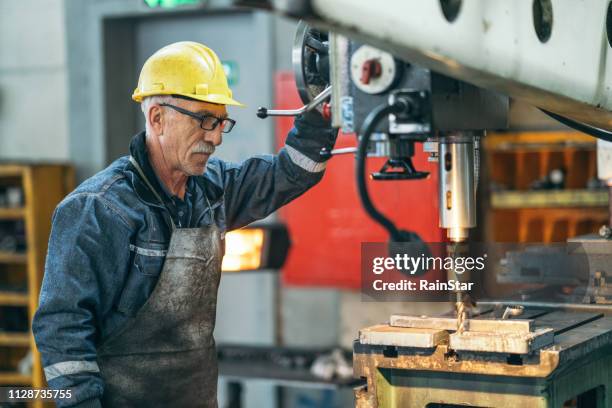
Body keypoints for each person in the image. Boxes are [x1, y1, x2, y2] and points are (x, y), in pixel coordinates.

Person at [32, 41, 337, 407]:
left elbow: (290, 174)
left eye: (222, 122)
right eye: (204, 120)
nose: (216, 137)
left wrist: (321, 105)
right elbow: (61, 329)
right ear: (157, 117)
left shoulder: (213, 189)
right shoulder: (97, 210)